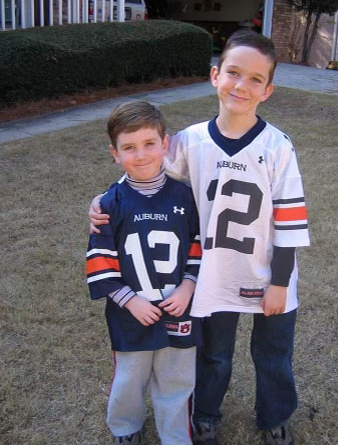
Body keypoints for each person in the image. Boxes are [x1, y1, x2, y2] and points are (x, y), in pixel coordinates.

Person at [89, 30, 310, 445]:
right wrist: (105, 199)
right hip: (212, 273)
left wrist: (280, 281)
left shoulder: (278, 146)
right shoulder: (190, 141)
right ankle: (206, 415)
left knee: (274, 354)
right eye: (233, 73)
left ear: (268, 90)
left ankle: (275, 415)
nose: (241, 86)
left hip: (269, 273)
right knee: (213, 355)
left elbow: (290, 218)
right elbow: (146, 171)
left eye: (255, 79)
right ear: (215, 75)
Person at [86, 100, 202, 445]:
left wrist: (187, 287)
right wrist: (129, 300)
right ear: (115, 153)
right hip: (130, 313)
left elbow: (198, 247)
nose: (141, 155)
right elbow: (100, 262)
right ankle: (125, 427)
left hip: (179, 307)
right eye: (129, 148)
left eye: (149, 143)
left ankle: (175, 435)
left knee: (177, 379)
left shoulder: (187, 197)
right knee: (129, 379)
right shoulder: (108, 204)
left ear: (165, 144)